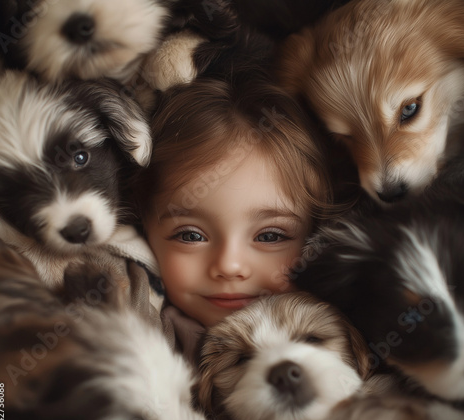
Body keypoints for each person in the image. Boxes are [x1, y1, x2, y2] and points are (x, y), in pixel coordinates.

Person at [134, 76, 332, 358]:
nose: (229, 266)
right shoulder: (140, 338)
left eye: (270, 236)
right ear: (144, 230)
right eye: (191, 235)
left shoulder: (341, 347)